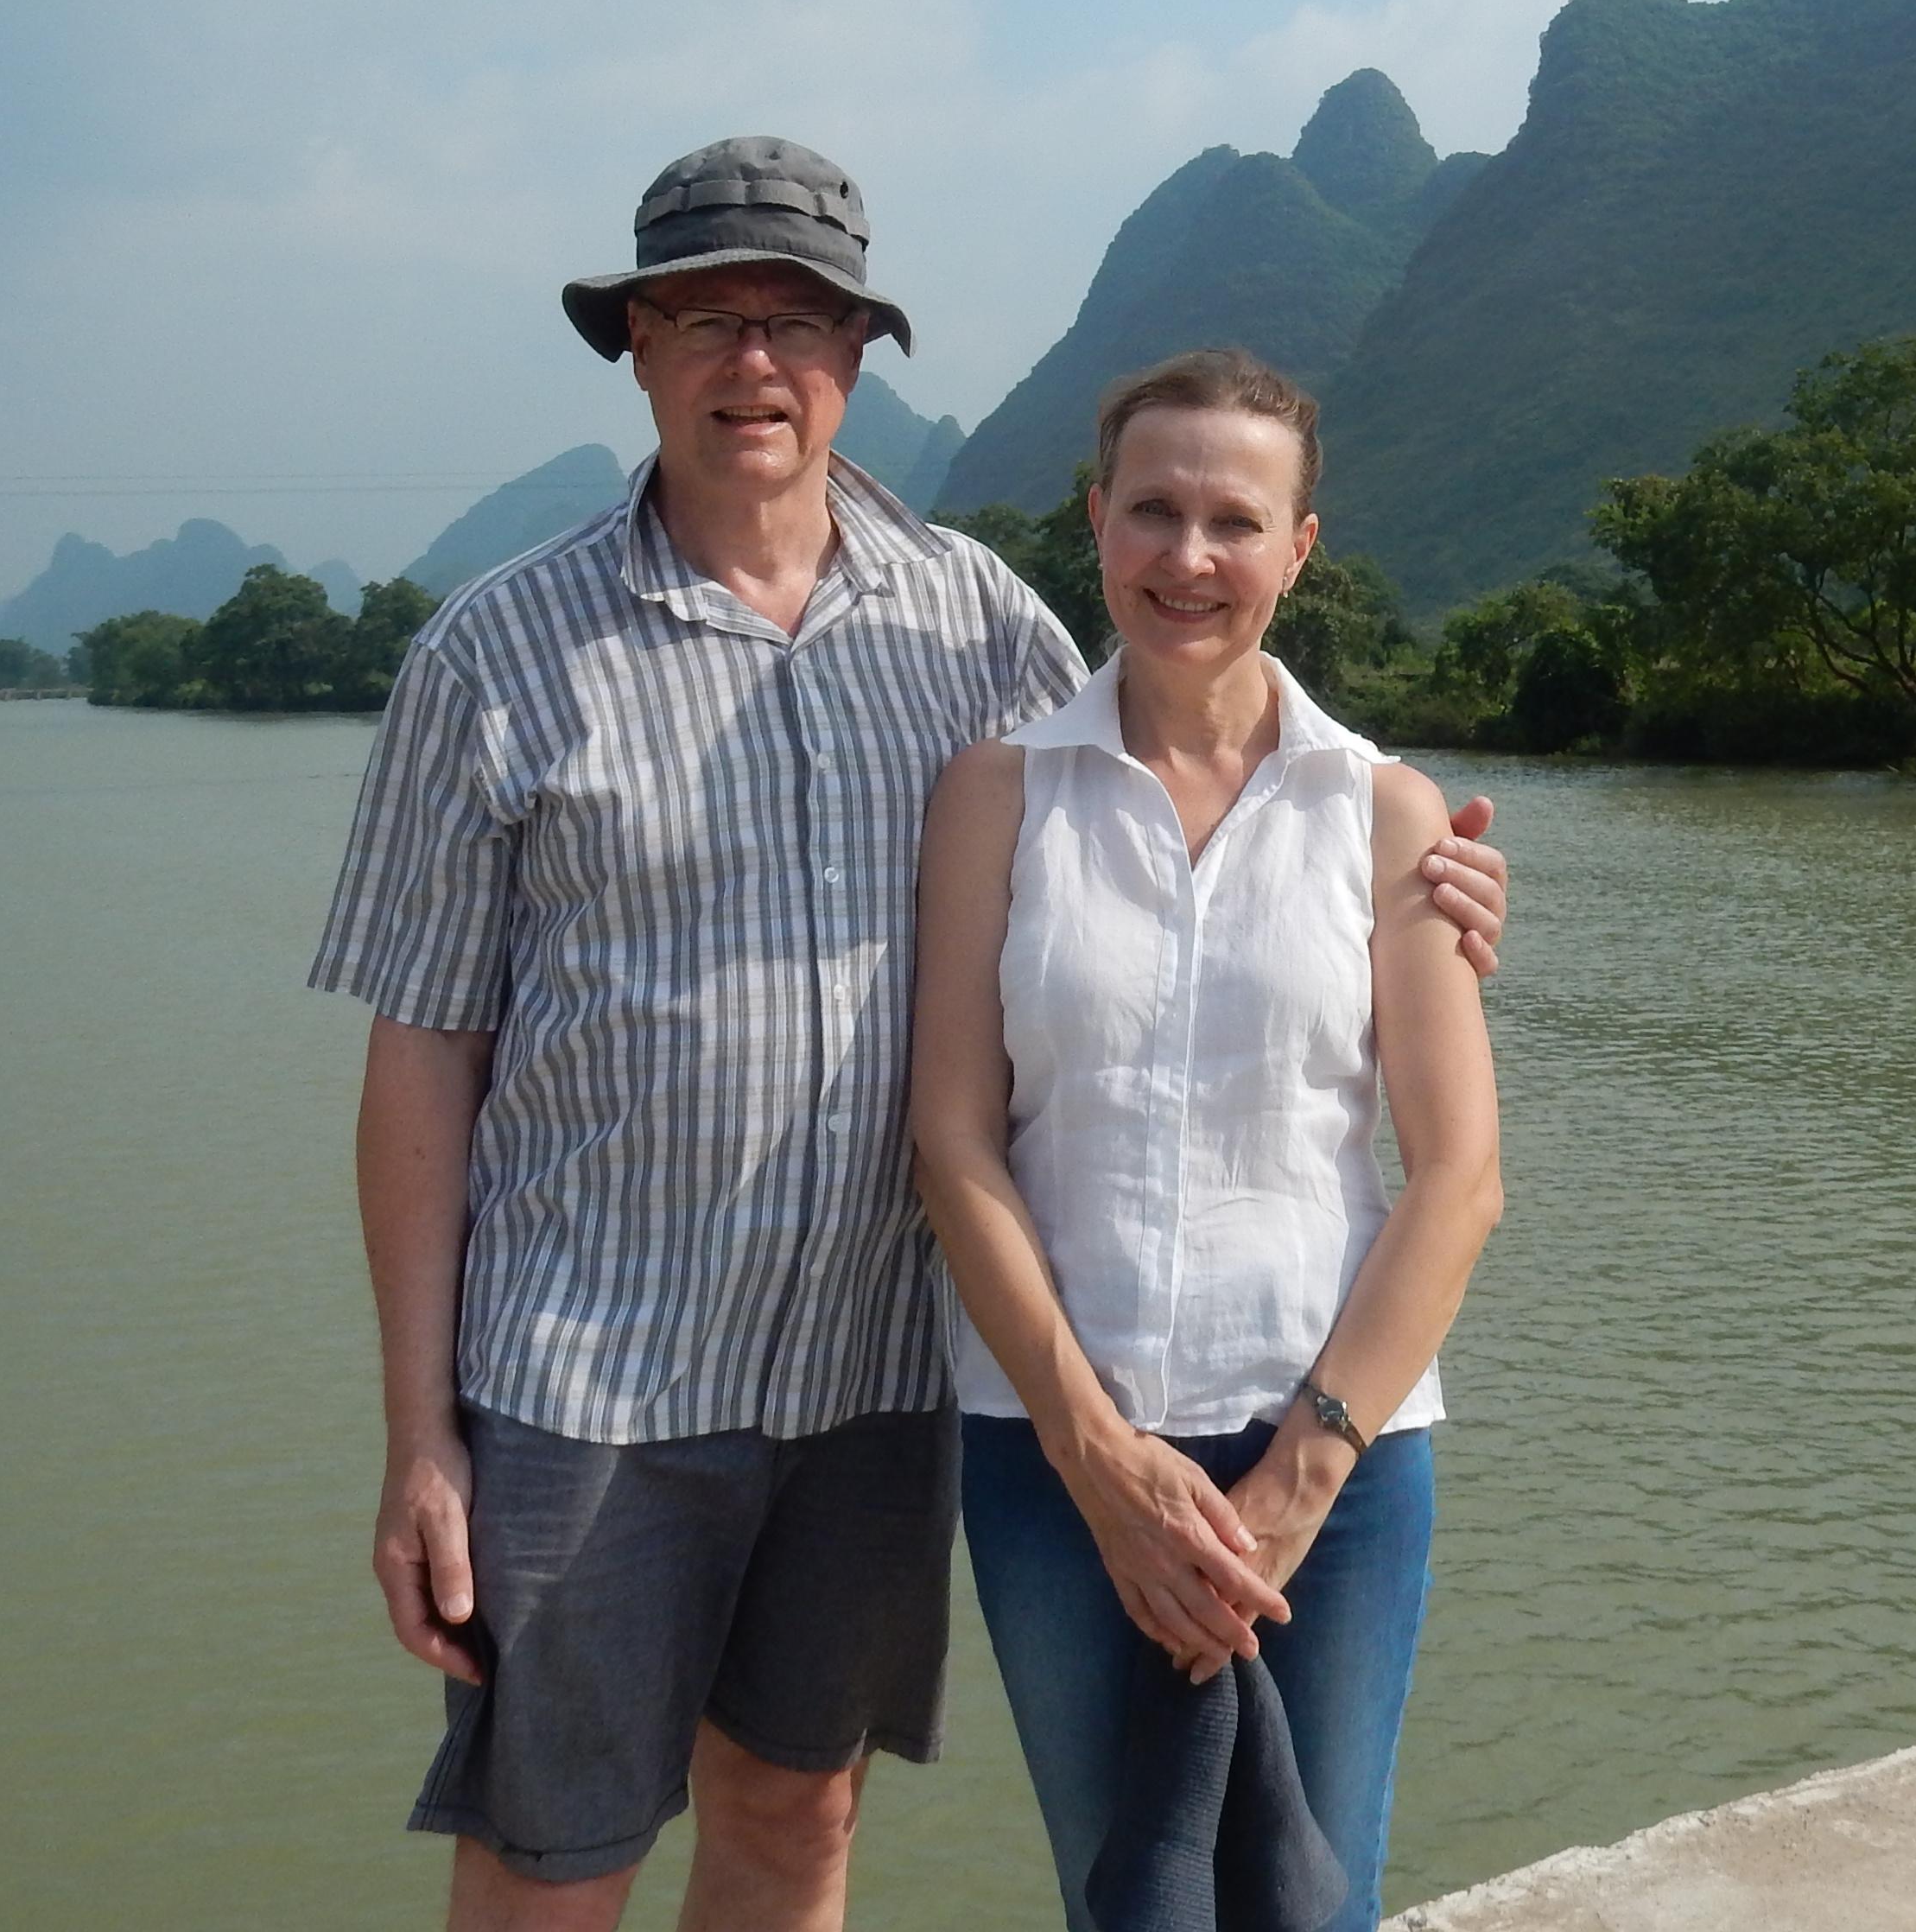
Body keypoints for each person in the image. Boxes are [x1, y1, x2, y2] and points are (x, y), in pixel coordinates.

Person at [308, 141, 1513, 1932]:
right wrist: (422, 1436)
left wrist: (1438, 884)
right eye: (706, 318)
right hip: (589, 1372)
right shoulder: (496, 654)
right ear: (636, 345)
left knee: (799, 1820)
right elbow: (421, 1055)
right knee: (555, 1859)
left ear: (858, 354)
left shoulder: (972, 625)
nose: (755, 361)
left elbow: (1179, 761)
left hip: (870, 1381)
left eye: (799, 321)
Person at [911, 348, 1504, 1932]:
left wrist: (1301, 1475)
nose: (1189, 557)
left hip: (1339, 1458)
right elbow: (954, 1140)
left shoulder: (1384, 812)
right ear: (1095, 521)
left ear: (1298, 549)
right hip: (1055, 1459)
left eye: (1235, 521)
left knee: (1313, 1899)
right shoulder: (996, 797)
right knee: (1130, 1897)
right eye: (1153, 511)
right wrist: (1098, 1460)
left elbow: (1459, 1176)